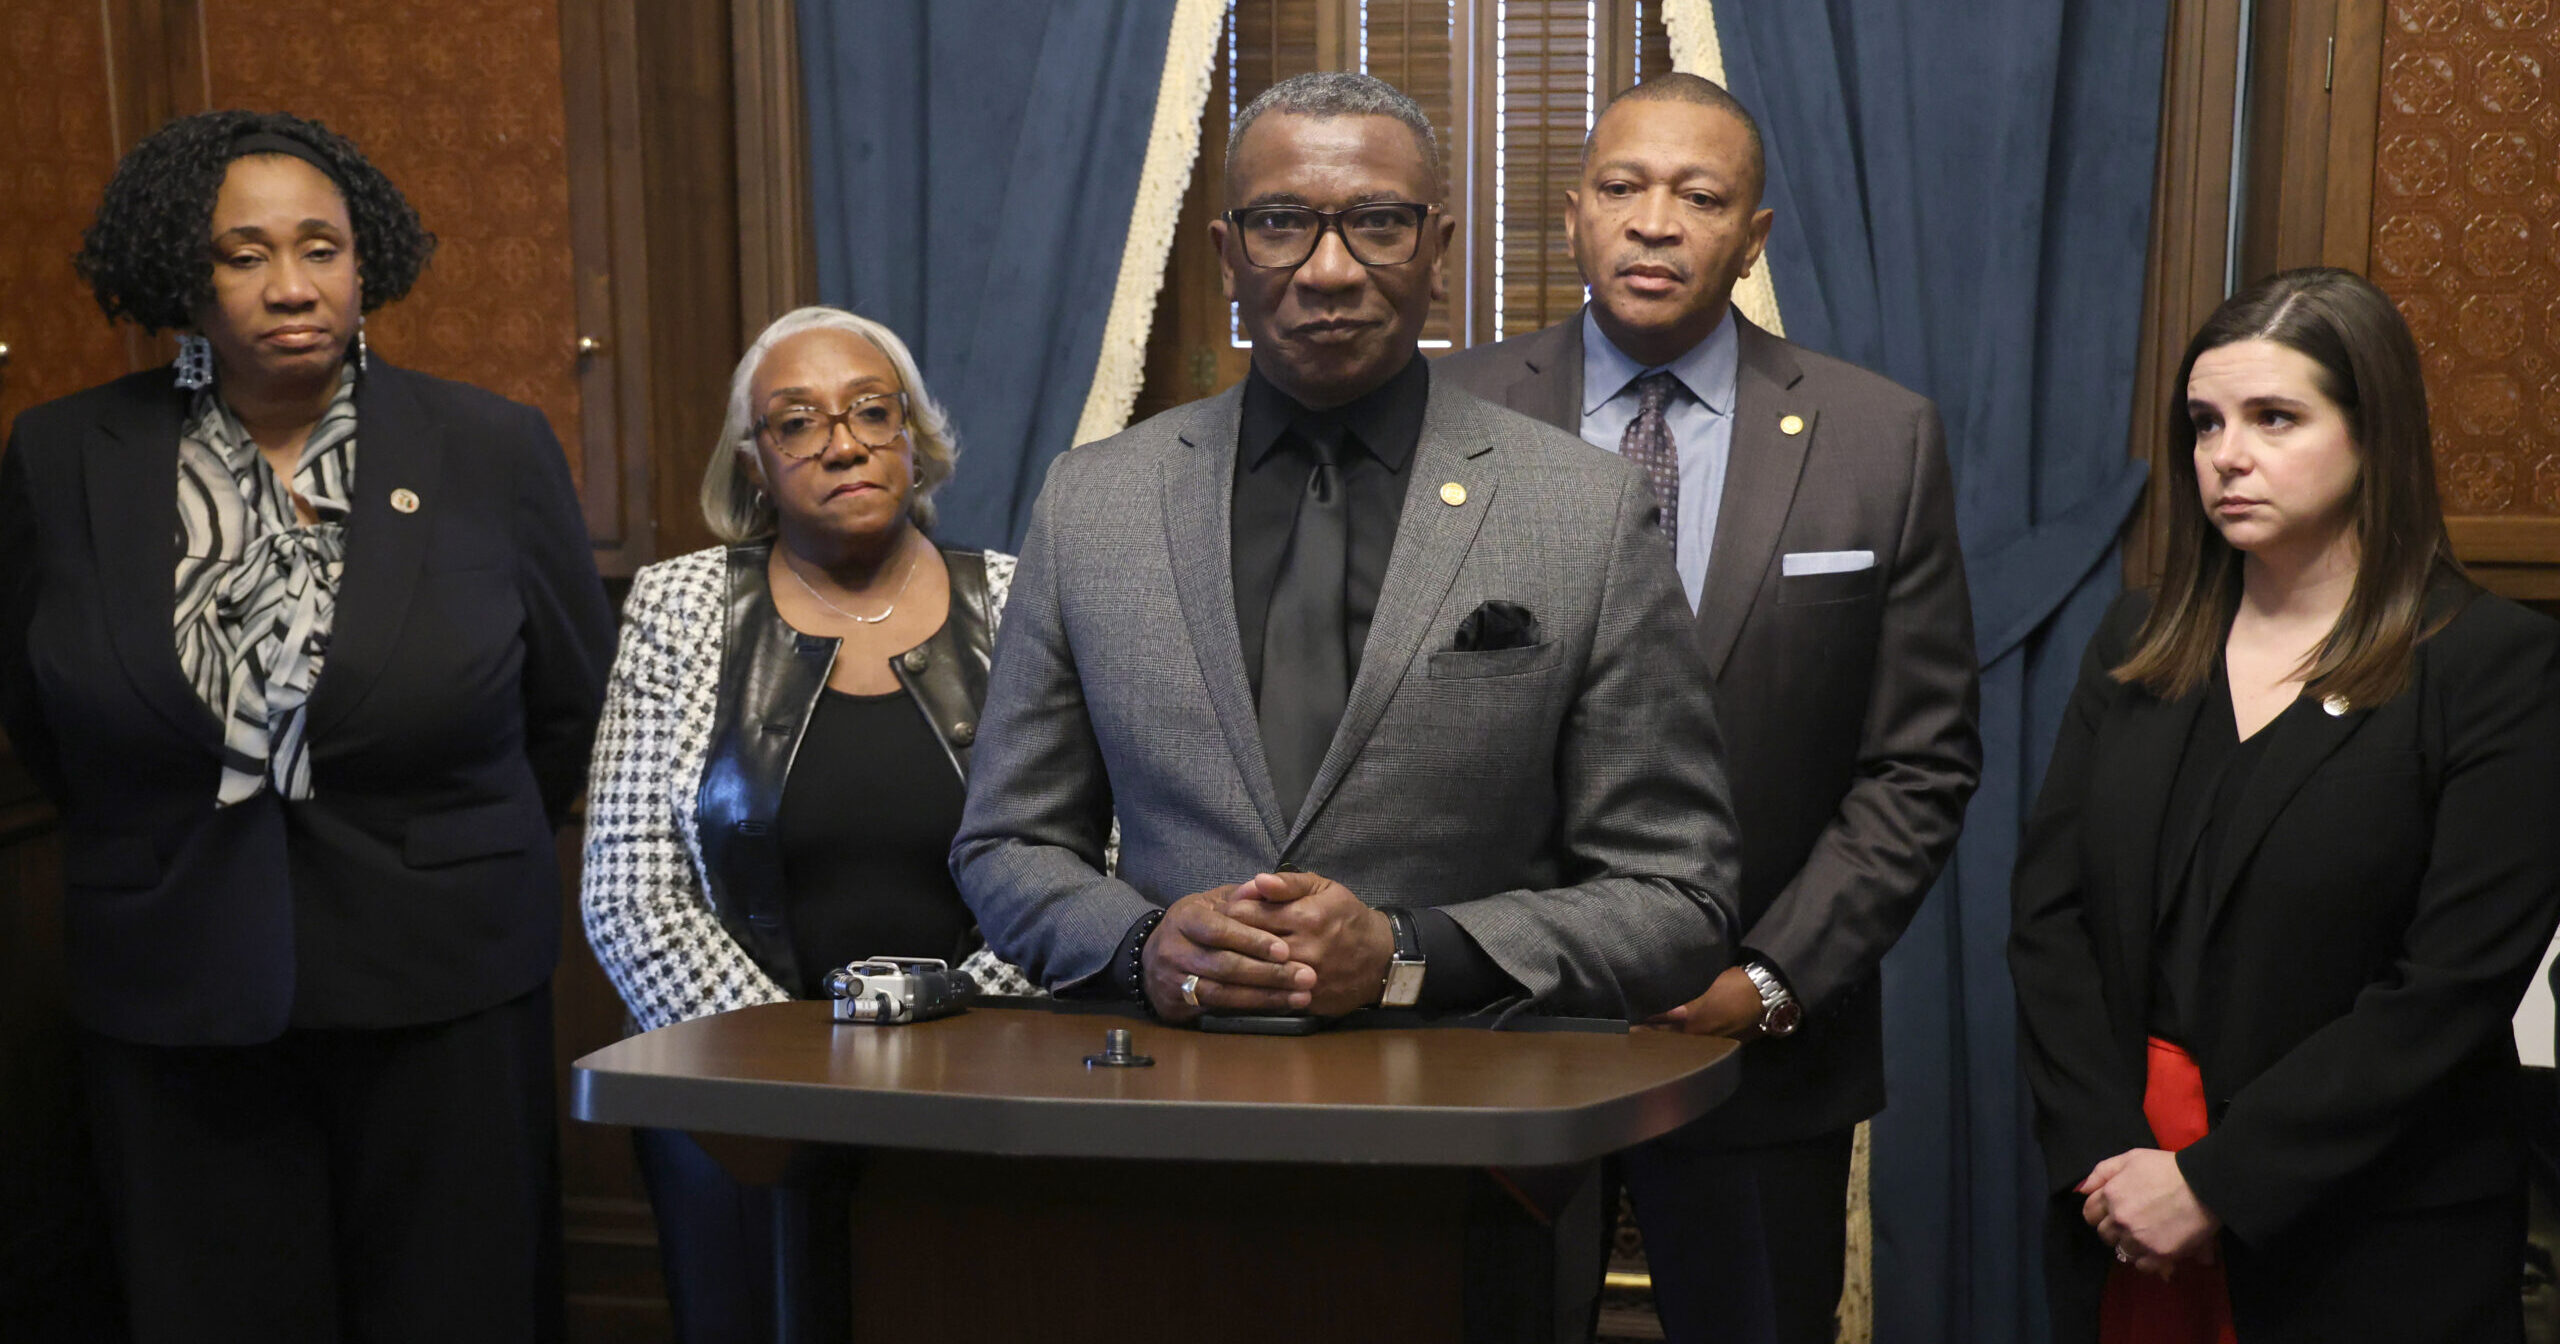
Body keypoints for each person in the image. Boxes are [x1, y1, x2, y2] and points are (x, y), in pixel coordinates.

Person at [0, 110, 614, 1343]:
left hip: (442, 981)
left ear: (363, 260)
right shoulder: (67, 455)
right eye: (244, 253)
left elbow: (570, 709)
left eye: (320, 247)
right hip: (173, 981)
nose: (291, 286)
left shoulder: (489, 445)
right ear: (186, 272)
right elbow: (41, 709)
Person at [1440, 73, 1981, 1344]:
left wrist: (1773, 978)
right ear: (1573, 215)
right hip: (1496, 1027)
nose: (1654, 222)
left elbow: (1919, 762)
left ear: (1753, 235)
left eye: (1699, 196)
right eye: (1623, 188)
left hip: (1760, 1053)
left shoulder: (1875, 438)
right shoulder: (1442, 419)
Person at [2009, 267, 2560, 1343]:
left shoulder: (2493, 666)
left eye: (2274, 418)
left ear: (2371, 434)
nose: (2228, 454)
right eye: (2205, 423)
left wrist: (2215, 1183)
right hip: (2121, 1200)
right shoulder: (2137, 640)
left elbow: (2449, 988)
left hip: (2372, 1234)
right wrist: (2107, 1166)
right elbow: (2049, 919)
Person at [581, 306, 1034, 1342]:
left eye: (872, 411)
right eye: (797, 421)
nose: (841, 441)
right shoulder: (677, 607)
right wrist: (783, 1072)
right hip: (734, 1101)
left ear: (913, 436)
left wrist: (957, 1030)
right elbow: (629, 885)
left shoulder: (1017, 600)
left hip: (988, 1085)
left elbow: (1082, 851)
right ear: (754, 460)